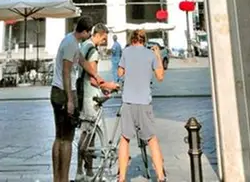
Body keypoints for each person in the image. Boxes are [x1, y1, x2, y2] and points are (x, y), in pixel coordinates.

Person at [51, 17, 106, 182]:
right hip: (63, 92)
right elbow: (66, 73)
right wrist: (69, 100)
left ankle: (58, 178)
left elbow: (82, 61)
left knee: (59, 137)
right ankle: (62, 179)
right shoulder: (70, 44)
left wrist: (98, 77)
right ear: (86, 32)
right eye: (89, 33)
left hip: (59, 91)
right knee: (66, 139)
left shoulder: (72, 42)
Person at [117, 29, 166, 182]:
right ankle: (160, 176)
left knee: (124, 139)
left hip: (128, 101)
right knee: (152, 139)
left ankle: (122, 178)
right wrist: (157, 55)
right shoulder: (150, 54)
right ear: (145, 41)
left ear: (132, 40)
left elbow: (120, 73)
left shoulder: (126, 52)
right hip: (144, 102)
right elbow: (160, 77)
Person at [77, 24, 120, 180]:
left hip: (83, 94)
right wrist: (110, 85)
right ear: (100, 34)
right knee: (91, 136)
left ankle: (80, 171)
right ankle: (88, 172)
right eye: (104, 38)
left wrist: (103, 87)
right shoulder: (93, 51)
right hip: (91, 96)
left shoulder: (84, 46)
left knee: (86, 133)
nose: (105, 41)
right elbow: (94, 79)